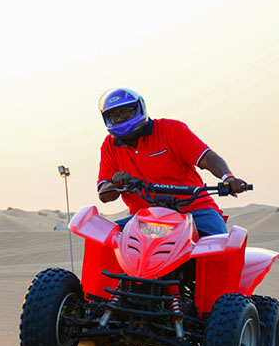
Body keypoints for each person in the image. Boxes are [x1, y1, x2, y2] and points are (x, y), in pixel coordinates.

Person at [96, 87, 249, 237]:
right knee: (102, 237)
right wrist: (117, 183)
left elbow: (206, 157)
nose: (120, 118)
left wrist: (227, 177)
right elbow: (104, 193)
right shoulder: (109, 146)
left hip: (194, 210)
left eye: (126, 111)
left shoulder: (171, 129)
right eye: (113, 115)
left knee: (219, 246)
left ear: (140, 108)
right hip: (147, 221)